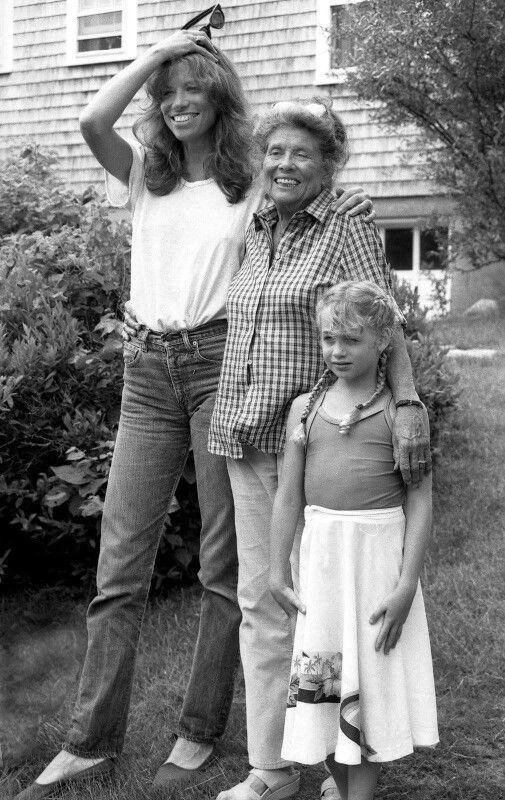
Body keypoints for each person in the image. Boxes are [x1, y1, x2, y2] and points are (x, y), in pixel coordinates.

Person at [14, 31, 373, 800]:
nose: (177, 103)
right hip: (145, 370)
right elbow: (89, 121)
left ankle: (199, 730)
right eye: (166, 93)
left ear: (220, 101)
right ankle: (89, 741)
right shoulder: (147, 174)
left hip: (221, 368)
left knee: (224, 568)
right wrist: (159, 54)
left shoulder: (250, 187)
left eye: (193, 90)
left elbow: (320, 205)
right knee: (119, 565)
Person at [208, 102, 432, 800]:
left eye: (299, 153)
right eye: (272, 151)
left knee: (323, 614)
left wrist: (404, 406)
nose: (281, 163)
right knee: (265, 605)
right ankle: (274, 766)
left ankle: (341, 754)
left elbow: (381, 321)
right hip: (246, 438)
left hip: (313, 444)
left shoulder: (348, 222)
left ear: (329, 163)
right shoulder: (258, 224)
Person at [269, 280, 439, 800]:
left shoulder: (401, 416)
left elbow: (420, 501)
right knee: (321, 688)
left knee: (365, 689)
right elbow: (287, 499)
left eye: (351, 340)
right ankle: (341, 785)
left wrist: (406, 584)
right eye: (328, 340)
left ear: (383, 340)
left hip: (374, 569)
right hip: (322, 565)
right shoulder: (305, 410)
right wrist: (277, 571)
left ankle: (357, 794)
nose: (337, 352)